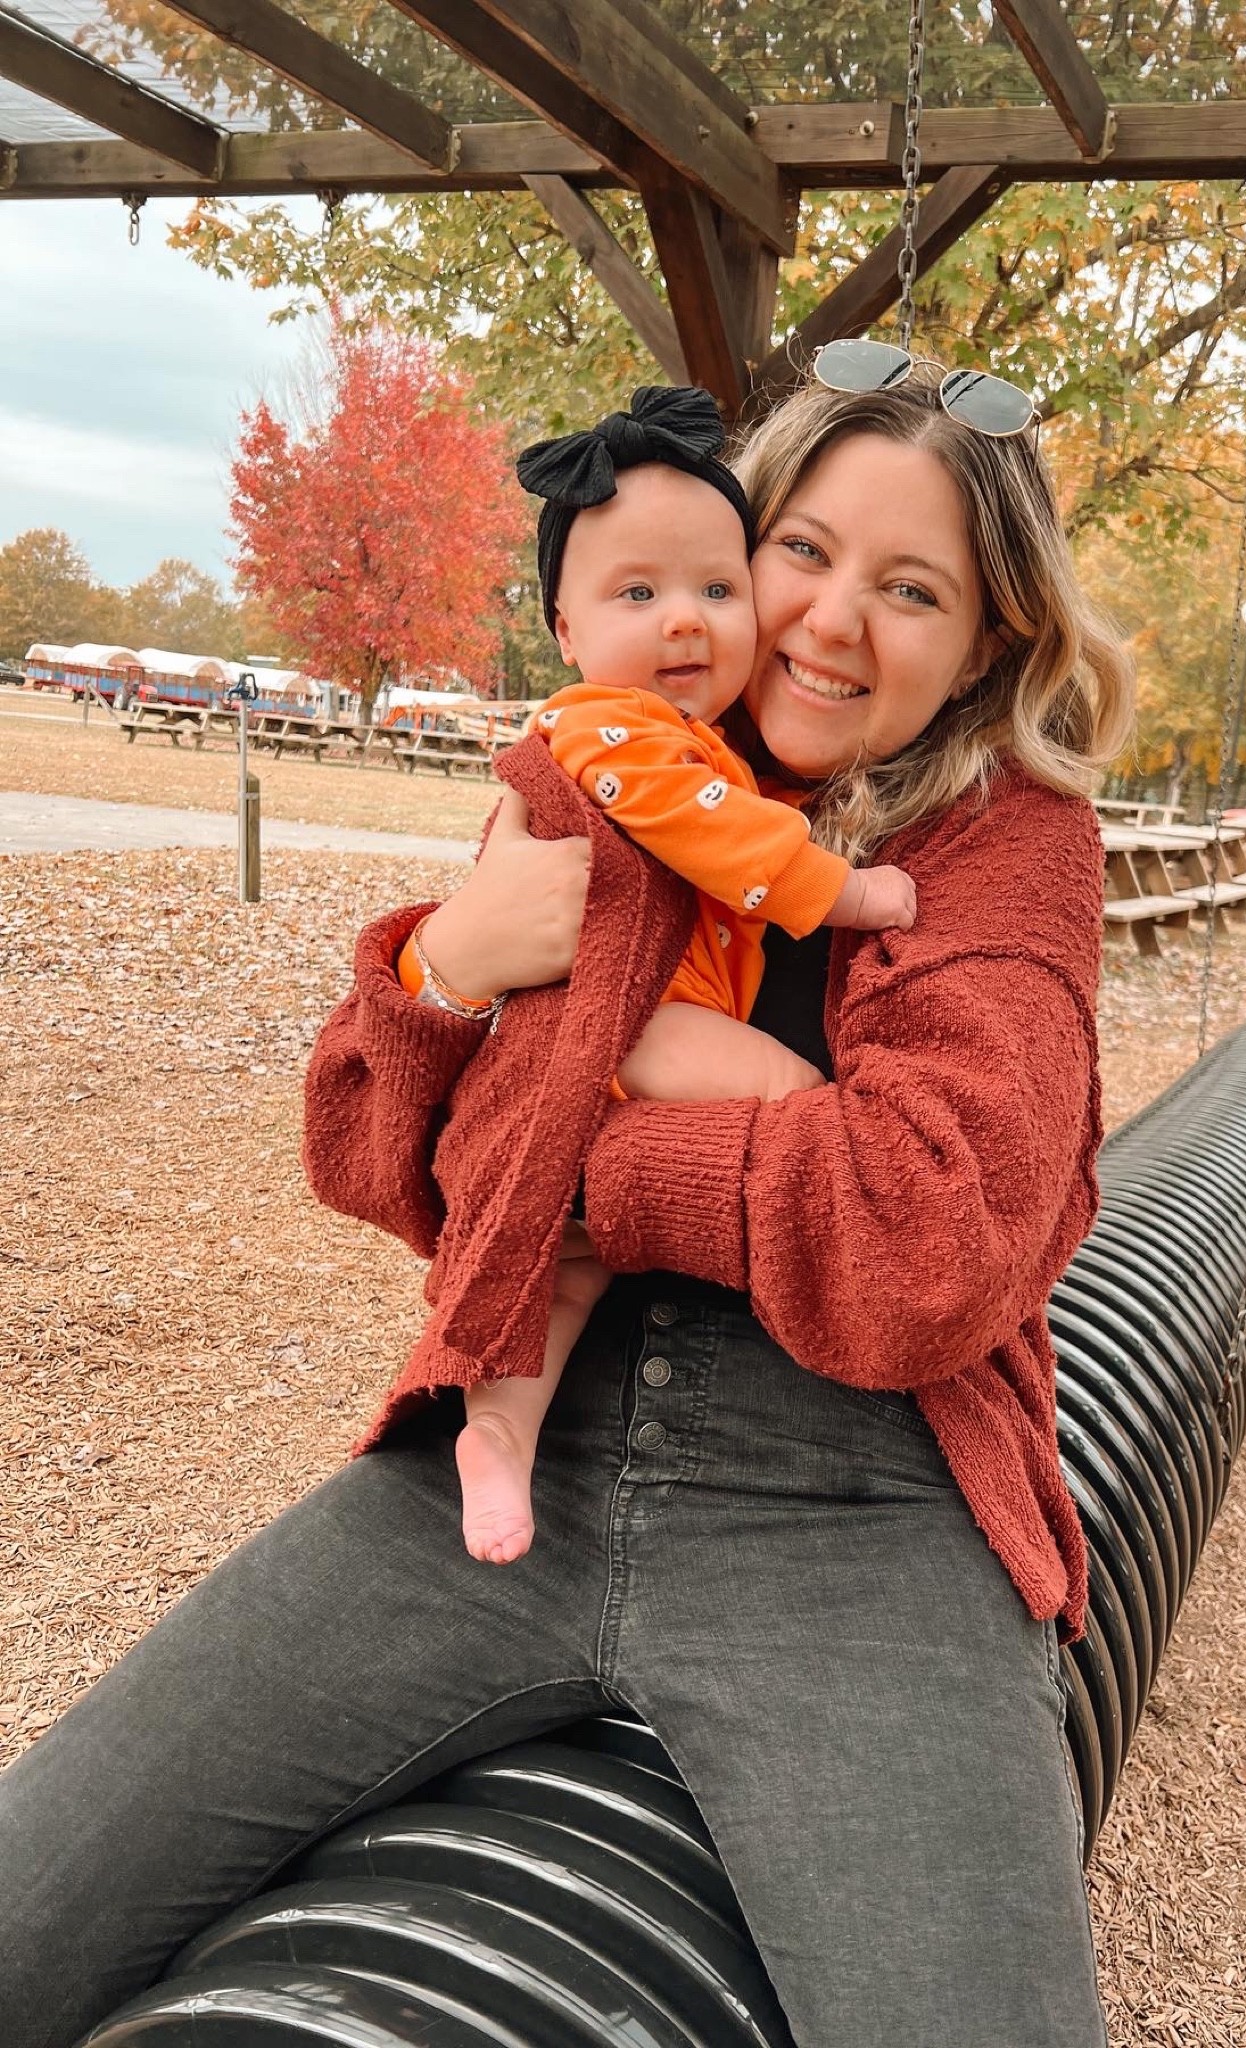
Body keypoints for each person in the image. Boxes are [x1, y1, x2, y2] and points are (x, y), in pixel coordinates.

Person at [0, 353, 1136, 2048]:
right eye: (802, 550)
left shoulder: (1002, 849)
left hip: (854, 1510)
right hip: (511, 1461)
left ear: (983, 642)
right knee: (32, 1899)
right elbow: (368, 1159)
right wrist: (442, 971)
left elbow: (928, 1242)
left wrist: (577, 1177)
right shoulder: (608, 762)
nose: (832, 620)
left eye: (912, 590)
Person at [409, 385, 918, 1566]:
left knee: (564, 1273)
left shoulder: (696, 738)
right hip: (633, 1021)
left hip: (617, 1037)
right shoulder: (610, 730)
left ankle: (499, 1433)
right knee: (802, 1100)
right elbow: (715, 837)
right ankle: (501, 1424)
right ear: (565, 629)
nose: (684, 619)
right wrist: (851, 893)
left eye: (716, 589)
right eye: (637, 593)